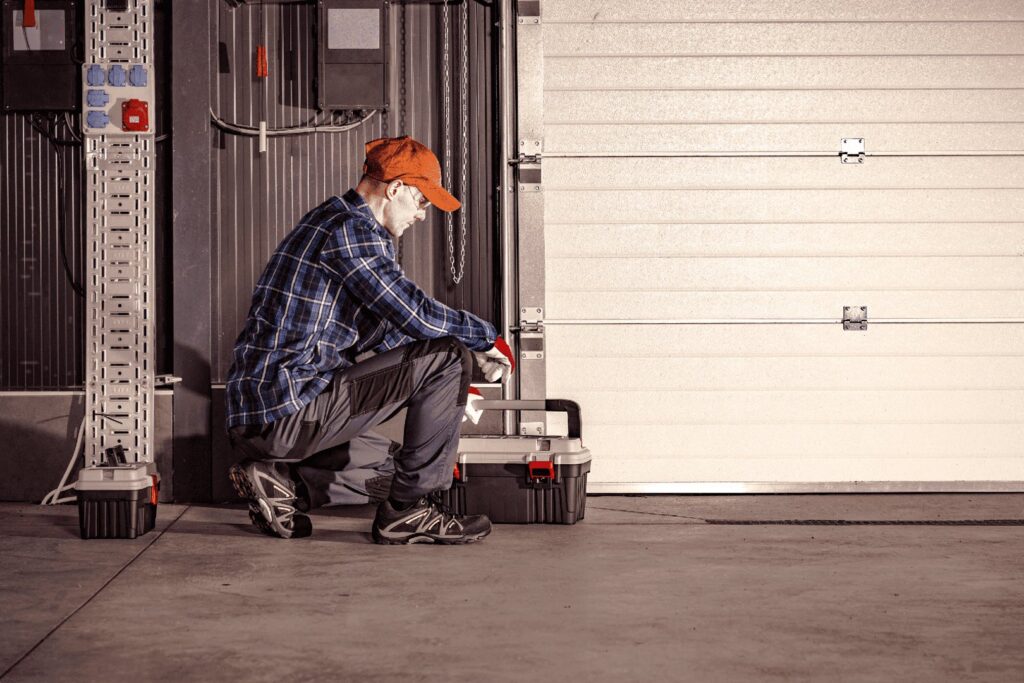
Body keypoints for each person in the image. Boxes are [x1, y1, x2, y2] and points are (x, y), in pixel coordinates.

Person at [225, 136, 514, 544]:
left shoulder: (332, 220)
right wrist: (485, 340)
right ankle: (408, 512)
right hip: (288, 410)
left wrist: (450, 390)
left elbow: (383, 331)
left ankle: (285, 486)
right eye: (422, 202)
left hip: (270, 413)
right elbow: (414, 313)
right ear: (395, 189)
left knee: (386, 463)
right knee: (448, 355)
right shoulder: (351, 231)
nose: (422, 215)